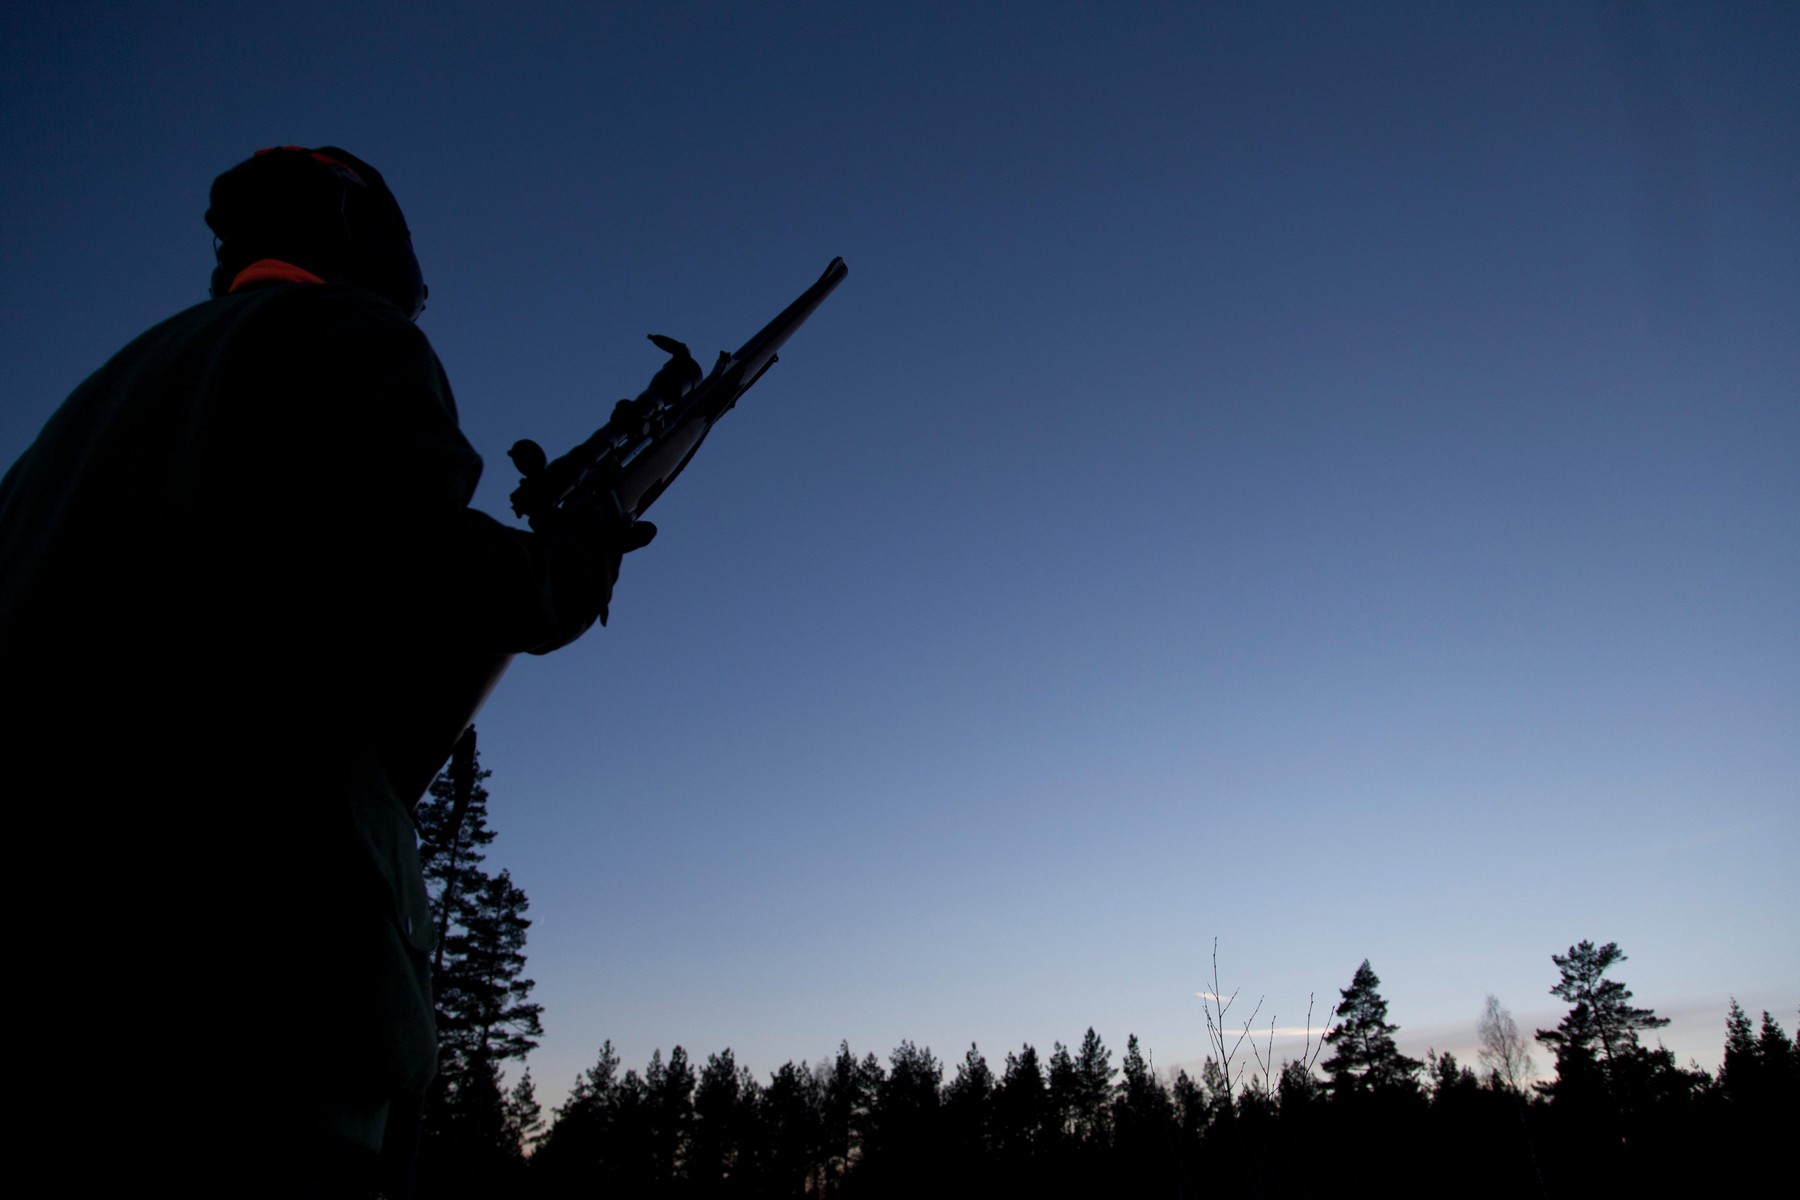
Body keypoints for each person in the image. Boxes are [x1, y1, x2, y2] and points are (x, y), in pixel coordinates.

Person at [0, 146, 647, 1194]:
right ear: (366, 242)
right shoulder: (343, 333)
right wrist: (574, 565)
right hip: (251, 1013)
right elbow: (422, 564)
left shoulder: (84, 414)